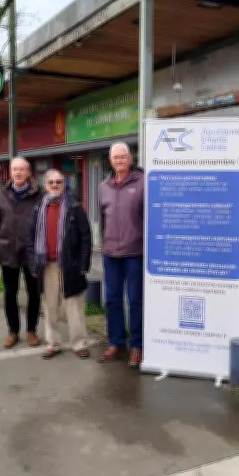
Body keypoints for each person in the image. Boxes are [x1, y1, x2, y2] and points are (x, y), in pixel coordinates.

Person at [27, 169, 92, 360]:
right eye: (51, 182)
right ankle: (53, 343)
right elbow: (30, 237)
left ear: (64, 185)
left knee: (74, 307)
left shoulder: (74, 206)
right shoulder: (39, 207)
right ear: (45, 185)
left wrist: (83, 264)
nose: (55, 185)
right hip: (46, 265)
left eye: (59, 182)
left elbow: (85, 237)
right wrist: (32, 262)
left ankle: (79, 343)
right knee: (50, 307)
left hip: (70, 264)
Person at [98, 142, 144, 367]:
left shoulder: (142, 182)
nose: (119, 160)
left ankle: (137, 345)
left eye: (122, 156)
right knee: (112, 300)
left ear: (130, 158)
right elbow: (102, 218)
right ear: (110, 160)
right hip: (110, 254)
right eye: (115, 157)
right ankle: (116, 342)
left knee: (135, 300)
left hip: (135, 252)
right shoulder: (103, 186)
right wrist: (103, 243)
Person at [0, 157, 43, 349]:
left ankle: (32, 330)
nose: (18, 172)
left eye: (21, 169)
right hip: (7, 250)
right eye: (14, 169)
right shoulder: (1, 194)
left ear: (28, 173)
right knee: (10, 293)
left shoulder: (39, 194)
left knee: (34, 293)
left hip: (32, 251)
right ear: (10, 172)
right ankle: (13, 331)